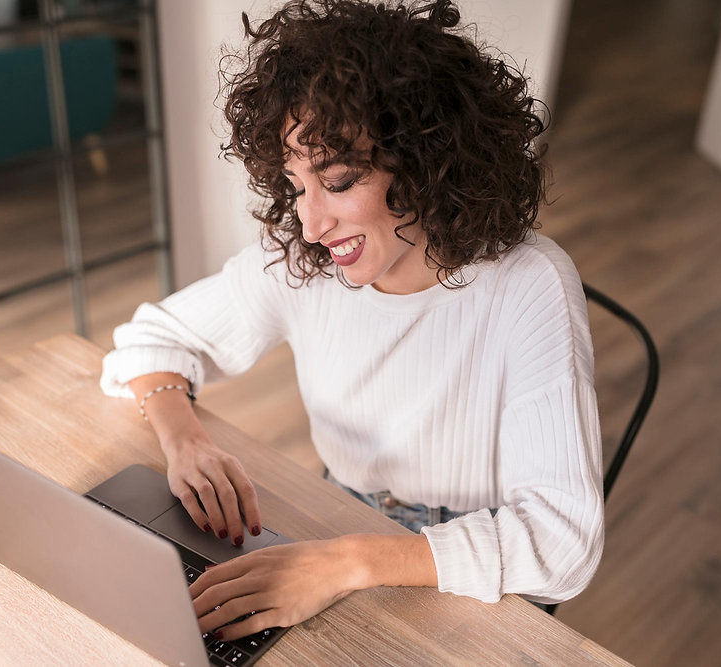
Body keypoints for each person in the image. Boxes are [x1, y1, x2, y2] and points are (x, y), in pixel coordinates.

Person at [100, 0, 603, 641]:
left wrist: (348, 560)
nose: (311, 223)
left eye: (337, 181)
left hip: (468, 564)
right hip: (335, 513)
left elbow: (563, 544)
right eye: (296, 184)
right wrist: (184, 439)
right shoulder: (304, 259)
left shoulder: (528, 284)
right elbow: (152, 340)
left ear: (427, 163)